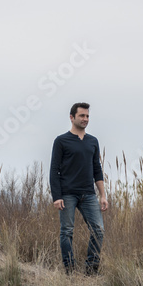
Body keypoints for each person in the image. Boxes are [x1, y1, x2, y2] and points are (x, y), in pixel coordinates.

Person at [50, 102, 108, 275]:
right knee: (67, 232)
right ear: (72, 117)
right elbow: (54, 170)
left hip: (88, 194)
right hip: (67, 193)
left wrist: (103, 195)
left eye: (87, 116)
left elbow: (97, 169)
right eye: (82, 116)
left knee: (98, 230)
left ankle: (91, 269)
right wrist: (57, 196)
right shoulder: (61, 141)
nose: (85, 119)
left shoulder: (93, 141)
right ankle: (70, 270)